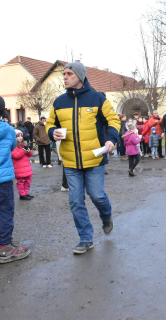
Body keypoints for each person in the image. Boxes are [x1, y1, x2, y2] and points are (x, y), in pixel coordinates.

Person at [46, 62, 120, 254]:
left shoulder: (97, 98)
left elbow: (113, 120)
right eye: (64, 74)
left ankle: (106, 215)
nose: (65, 77)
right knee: (76, 202)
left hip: (95, 159)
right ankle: (86, 238)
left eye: (69, 74)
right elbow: (50, 124)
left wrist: (111, 140)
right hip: (70, 162)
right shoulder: (59, 102)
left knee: (97, 195)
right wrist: (52, 132)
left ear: (79, 76)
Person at [0, 96, 31, 263]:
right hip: (2, 178)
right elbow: (12, 147)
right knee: (5, 210)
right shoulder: (7, 129)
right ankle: (4, 247)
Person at [11, 130, 34, 200]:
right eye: (18, 136)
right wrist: (24, 150)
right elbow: (16, 155)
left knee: (28, 180)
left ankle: (26, 193)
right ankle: (22, 194)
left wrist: (29, 150)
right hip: (18, 167)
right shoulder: (13, 146)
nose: (20, 138)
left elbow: (29, 154)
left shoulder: (23, 145)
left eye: (21, 136)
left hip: (26, 167)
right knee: (20, 182)